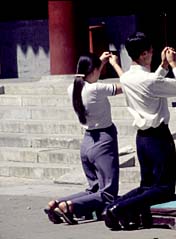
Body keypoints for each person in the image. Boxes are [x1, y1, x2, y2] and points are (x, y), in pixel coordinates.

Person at [102, 31, 176, 230]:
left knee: (147, 186)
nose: (153, 53)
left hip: (142, 139)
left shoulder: (126, 78)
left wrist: (162, 66)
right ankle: (120, 208)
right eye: (150, 51)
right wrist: (174, 64)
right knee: (164, 188)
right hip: (158, 138)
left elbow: (151, 83)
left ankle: (112, 207)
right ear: (143, 54)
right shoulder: (150, 81)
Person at [44, 51, 124, 225]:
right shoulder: (97, 89)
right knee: (108, 192)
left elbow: (88, 76)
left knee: (94, 188)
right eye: (98, 69)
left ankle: (57, 204)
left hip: (87, 142)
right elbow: (128, 85)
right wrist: (115, 64)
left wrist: (99, 63)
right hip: (104, 140)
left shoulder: (72, 87)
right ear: (94, 70)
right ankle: (69, 207)